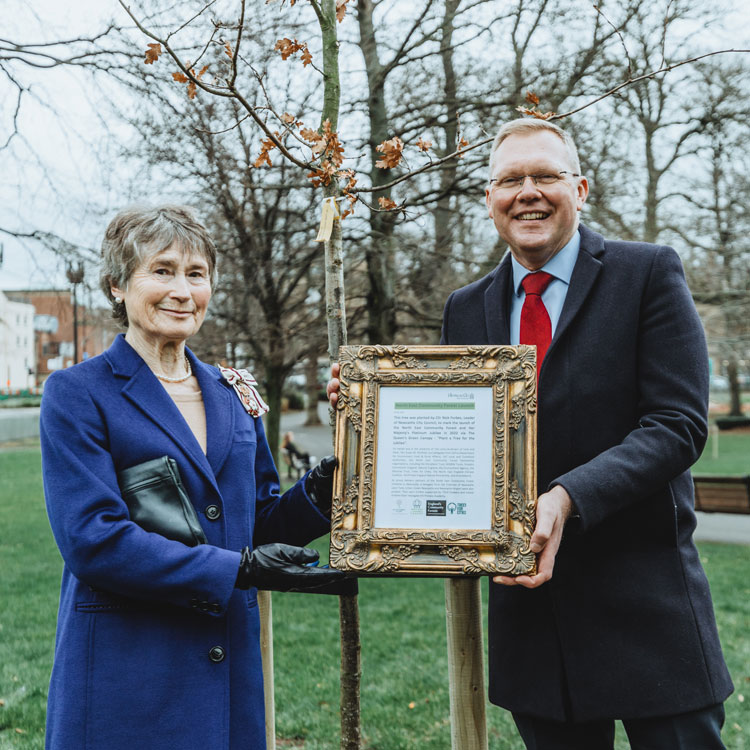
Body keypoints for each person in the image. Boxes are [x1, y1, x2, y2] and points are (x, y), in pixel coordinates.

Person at [329, 118, 733, 749]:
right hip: (533, 622)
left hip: (647, 608)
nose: (528, 192)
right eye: (510, 180)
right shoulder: (467, 307)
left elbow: (678, 425)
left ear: (582, 187)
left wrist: (568, 497)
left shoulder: (647, 274)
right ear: (489, 197)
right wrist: (368, 410)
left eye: (545, 175)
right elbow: (452, 435)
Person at [40, 204, 342, 750]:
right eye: (162, 270)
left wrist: (321, 490)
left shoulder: (234, 393)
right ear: (116, 286)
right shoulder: (78, 394)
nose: (181, 290)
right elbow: (94, 540)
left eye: (196, 274)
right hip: (127, 675)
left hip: (227, 676)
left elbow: (257, 524)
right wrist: (241, 568)